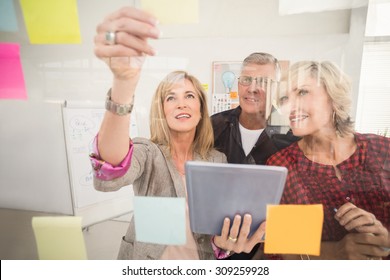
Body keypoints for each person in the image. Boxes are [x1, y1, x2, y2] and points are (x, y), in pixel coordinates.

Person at [89, 7, 265, 260]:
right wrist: (123, 84)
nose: (181, 103)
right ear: (162, 109)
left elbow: (214, 231)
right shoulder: (148, 153)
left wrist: (224, 242)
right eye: (171, 98)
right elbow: (108, 173)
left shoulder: (216, 160)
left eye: (189, 96)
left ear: (201, 108)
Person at [265, 60, 390, 260]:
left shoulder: (383, 151)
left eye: (302, 92)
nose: (289, 106)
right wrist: (335, 252)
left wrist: (385, 241)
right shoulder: (283, 166)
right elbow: (282, 252)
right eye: (284, 99)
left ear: (333, 97)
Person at [211, 53, 299, 259]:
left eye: (263, 82)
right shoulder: (213, 126)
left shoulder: (293, 134)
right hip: (218, 242)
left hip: (269, 249)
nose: (252, 88)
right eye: (246, 80)